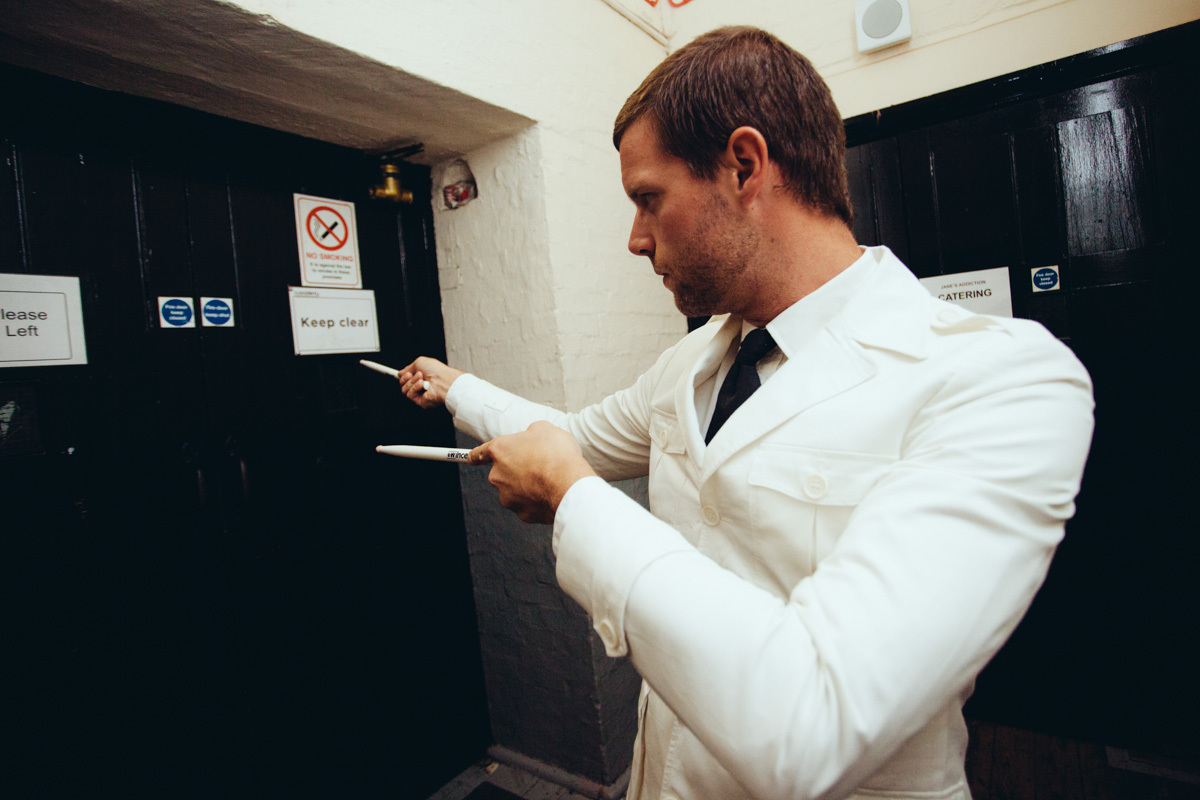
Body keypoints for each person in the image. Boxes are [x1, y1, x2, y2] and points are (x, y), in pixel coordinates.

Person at [397, 26, 1094, 800]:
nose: (634, 239)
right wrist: (456, 387)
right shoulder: (690, 363)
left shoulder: (1000, 378)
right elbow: (574, 435)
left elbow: (816, 721)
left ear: (744, 165)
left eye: (648, 199)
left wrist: (573, 500)